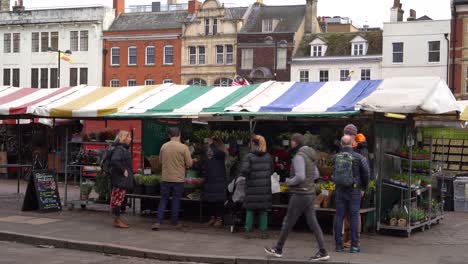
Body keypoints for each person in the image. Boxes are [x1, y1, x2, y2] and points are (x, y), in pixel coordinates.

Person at [265, 133, 330, 261]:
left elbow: (300, 176)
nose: (290, 144)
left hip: (300, 193)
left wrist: (289, 181)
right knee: (313, 223)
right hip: (310, 193)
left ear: (295, 142)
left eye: (291, 142)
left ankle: (278, 249)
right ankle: (323, 251)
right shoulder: (310, 156)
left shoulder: (299, 156)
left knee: (288, 222)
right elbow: (316, 174)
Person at [333, 135, 370, 253]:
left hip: (340, 190)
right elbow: (366, 173)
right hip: (354, 191)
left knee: (339, 217)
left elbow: (333, 173)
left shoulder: (335, 157)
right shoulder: (359, 157)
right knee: (354, 217)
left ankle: (338, 245)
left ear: (341, 144)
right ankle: (354, 246)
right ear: (352, 143)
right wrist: (364, 187)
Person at [152, 127, 193, 231]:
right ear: (179, 135)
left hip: (165, 178)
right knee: (176, 201)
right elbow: (189, 163)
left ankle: (158, 222)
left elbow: (160, 161)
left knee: (163, 199)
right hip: (178, 179)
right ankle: (174, 222)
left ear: (169, 136)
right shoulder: (183, 147)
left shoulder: (164, 146)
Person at [241, 135, 273, 239]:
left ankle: (247, 230)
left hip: (251, 186)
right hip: (264, 187)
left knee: (250, 209)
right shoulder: (268, 156)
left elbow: (244, 170)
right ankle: (263, 232)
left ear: (253, 143)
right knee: (263, 210)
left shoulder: (248, 156)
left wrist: (251, 174)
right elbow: (271, 171)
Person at [109, 130, 133, 228]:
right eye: (128, 137)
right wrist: (123, 170)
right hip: (120, 179)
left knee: (118, 198)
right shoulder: (120, 149)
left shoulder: (122, 148)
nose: (130, 139)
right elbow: (115, 160)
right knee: (118, 199)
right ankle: (117, 220)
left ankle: (117, 219)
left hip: (119, 179)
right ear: (123, 138)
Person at [203, 137, 228, 227]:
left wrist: (210, 145)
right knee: (215, 201)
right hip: (216, 178)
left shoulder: (216, 151)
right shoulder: (222, 151)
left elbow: (206, 160)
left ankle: (217, 219)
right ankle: (215, 218)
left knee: (215, 201)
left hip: (213, 178)